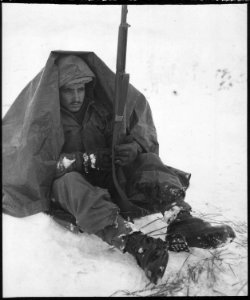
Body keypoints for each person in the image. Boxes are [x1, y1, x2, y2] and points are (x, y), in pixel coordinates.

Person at [2, 52, 235, 284]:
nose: (76, 97)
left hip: (107, 179)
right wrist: (86, 160)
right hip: (71, 192)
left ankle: (181, 219)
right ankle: (135, 243)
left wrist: (132, 148)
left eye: (81, 89)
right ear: (56, 90)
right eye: (68, 90)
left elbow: (133, 132)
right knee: (69, 184)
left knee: (148, 162)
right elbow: (36, 166)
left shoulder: (100, 110)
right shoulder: (44, 119)